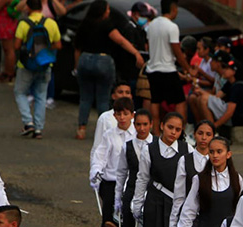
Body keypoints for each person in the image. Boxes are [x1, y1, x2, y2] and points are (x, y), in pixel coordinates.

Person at [131, 112, 191, 227]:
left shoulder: (187, 150)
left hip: (177, 204)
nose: (173, 132)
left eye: (178, 129)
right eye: (170, 127)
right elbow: (142, 178)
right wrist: (137, 202)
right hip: (155, 202)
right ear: (162, 125)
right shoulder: (149, 149)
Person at [74, 0, 144, 140]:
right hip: (103, 61)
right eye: (107, 9)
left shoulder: (84, 24)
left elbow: (77, 48)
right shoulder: (107, 24)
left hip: (85, 60)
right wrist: (136, 53)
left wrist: (76, 67)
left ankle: (81, 129)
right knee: (103, 98)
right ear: (102, 11)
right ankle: (104, 131)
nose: (108, 12)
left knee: (85, 97)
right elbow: (121, 41)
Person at [13, 0, 61, 140]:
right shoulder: (51, 23)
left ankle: (28, 122)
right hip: (45, 65)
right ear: (41, 7)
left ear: (28, 7)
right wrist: (44, 51)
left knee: (20, 92)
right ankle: (39, 128)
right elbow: (58, 44)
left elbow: (16, 45)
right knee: (41, 96)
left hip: (26, 65)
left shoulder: (23, 23)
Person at [144, 0, 192, 135]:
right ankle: (181, 131)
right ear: (173, 9)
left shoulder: (151, 25)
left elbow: (147, 45)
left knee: (155, 100)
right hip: (167, 69)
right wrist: (187, 68)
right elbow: (176, 50)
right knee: (180, 101)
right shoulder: (172, 27)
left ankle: (156, 130)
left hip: (152, 68)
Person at [114, 108, 153, 227]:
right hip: (131, 191)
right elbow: (121, 173)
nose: (141, 128)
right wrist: (118, 197)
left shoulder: (157, 144)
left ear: (151, 124)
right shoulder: (127, 146)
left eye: (145, 124)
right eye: (138, 124)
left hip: (151, 194)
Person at [90, 97, 136, 227]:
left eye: (125, 114)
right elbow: (100, 156)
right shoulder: (109, 135)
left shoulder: (137, 135)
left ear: (132, 115)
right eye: (119, 114)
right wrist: (95, 171)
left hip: (131, 184)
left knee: (129, 220)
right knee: (108, 220)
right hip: (111, 183)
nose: (122, 117)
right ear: (114, 115)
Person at [200, 56, 243, 128]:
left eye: (228, 68)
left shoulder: (238, 87)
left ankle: (211, 129)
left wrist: (215, 125)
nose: (224, 70)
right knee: (203, 98)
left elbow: (230, 112)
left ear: (234, 72)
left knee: (204, 99)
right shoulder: (229, 83)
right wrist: (200, 91)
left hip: (236, 119)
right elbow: (216, 97)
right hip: (231, 114)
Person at [88, 81, 132, 147]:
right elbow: (98, 145)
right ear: (113, 96)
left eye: (127, 92)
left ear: (131, 96)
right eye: (120, 92)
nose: (124, 95)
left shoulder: (137, 117)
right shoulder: (105, 117)